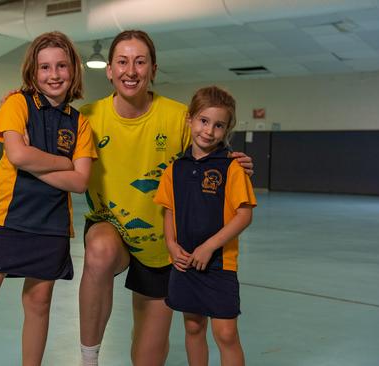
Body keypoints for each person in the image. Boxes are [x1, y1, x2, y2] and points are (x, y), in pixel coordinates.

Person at [78, 30, 254, 366]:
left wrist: (236, 160)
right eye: (123, 62)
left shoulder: (177, 117)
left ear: (153, 69)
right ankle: (89, 359)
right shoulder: (87, 117)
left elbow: (211, 144)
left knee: (147, 358)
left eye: (140, 62)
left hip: (164, 247)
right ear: (110, 71)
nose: (131, 70)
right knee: (98, 251)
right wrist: (18, 103)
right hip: (112, 230)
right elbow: (44, 125)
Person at [0, 31, 96, 366]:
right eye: (45, 67)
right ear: (33, 71)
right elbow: (16, 156)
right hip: (9, 219)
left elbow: (81, 182)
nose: (53, 74)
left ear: (73, 70)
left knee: (39, 303)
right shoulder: (17, 103)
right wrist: (63, 162)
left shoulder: (80, 123)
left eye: (61, 66)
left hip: (52, 225)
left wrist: (34, 157)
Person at [153, 86, 256, 366]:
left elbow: (244, 215)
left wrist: (209, 247)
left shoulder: (232, 168)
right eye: (203, 121)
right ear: (190, 119)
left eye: (218, 125)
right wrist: (172, 245)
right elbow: (169, 211)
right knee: (193, 326)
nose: (209, 131)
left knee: (225, 333)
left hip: (220, 264)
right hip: (185, 263)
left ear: (227, 129)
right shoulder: (175, 169)